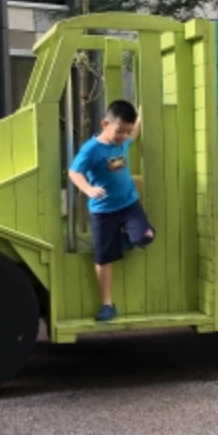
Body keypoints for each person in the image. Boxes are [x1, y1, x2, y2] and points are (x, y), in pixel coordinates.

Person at [67, 100, 155, 322]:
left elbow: (134, 132)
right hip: (103, 210)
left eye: (127, 131)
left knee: (146, 236)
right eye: (119, 131)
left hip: (128, 204)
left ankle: (124, 239)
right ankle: (107, 304)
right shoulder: (92, 149)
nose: (123, 136)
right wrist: (88, 189)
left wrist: (142, 112)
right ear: (105, 123)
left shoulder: (123, 141)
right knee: (104, 257)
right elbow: (74, 172)